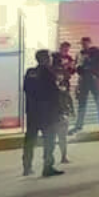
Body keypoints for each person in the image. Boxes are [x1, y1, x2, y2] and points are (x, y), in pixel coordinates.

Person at [23, 49, 64, 178]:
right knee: (49, 140)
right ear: (45, 59)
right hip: (47, 114)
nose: (51, 59)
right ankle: (47, 167)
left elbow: (26, 89)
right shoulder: (48, 73)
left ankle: (27, 167)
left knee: (30, 140)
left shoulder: (30, 72)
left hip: (32, 112)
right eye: (50, 57)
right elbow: (54, 94)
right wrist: (60, 111)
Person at [71, 37, 99, 133]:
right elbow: (74, 67)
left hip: (95, 80)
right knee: (82, 103)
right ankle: (79, 124)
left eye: (85, 43)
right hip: (83, 81)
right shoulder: (79, 54)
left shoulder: (97, 51)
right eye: (82, 44)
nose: (83, 45)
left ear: (89, 43)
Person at [50, 46, 75, 164]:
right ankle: (58, 158)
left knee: (57, 136)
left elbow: (67, 94)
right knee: (59, 136)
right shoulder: (49, 75)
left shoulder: (59, 73)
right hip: (56, 110)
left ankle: (59, 157)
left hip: (59, 110)